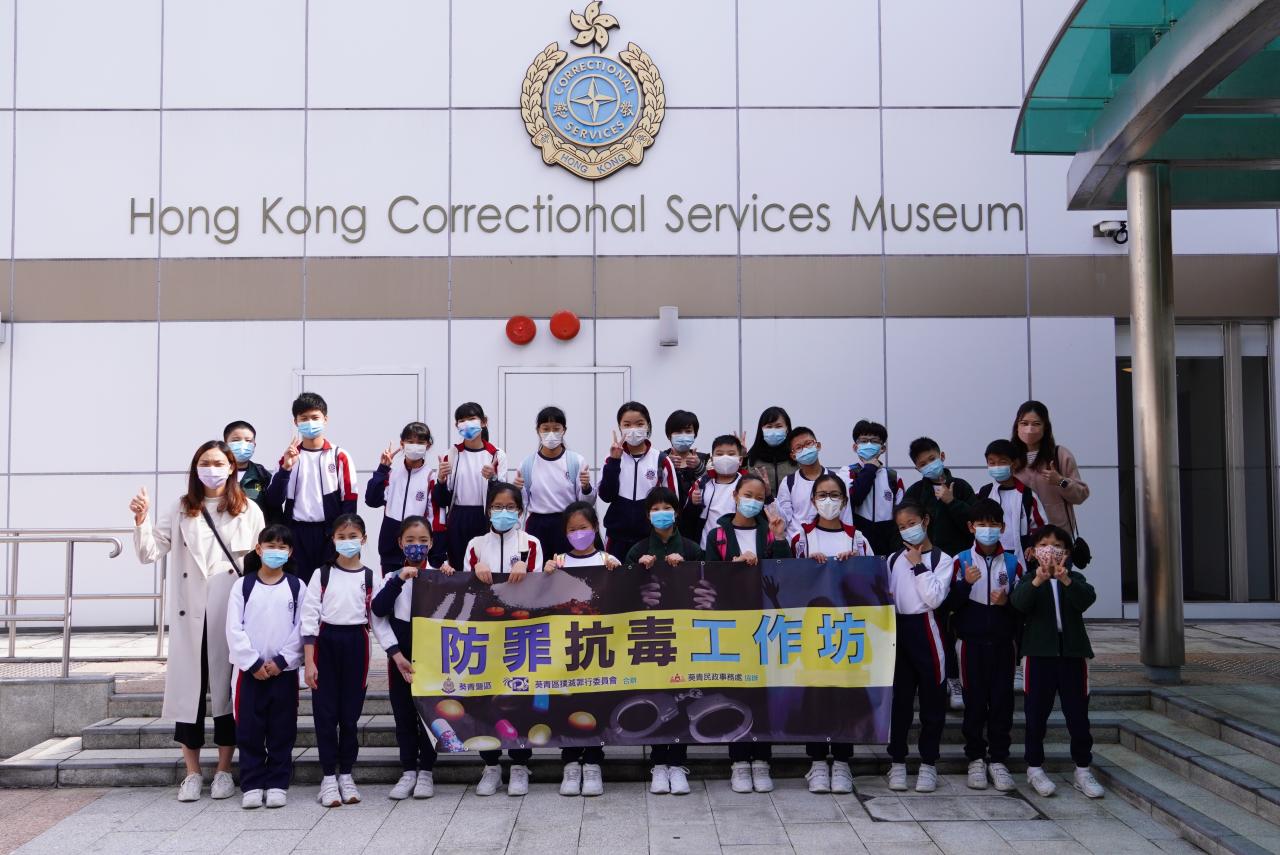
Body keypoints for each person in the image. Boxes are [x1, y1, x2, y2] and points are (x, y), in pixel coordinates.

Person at [130, 440, 264, 803]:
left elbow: (261, 561)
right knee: (189, 695)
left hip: (229, 612)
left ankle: (223, 770)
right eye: (205, 462)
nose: (212, 469)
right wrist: (141, 521)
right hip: (190, 612)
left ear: (232, 467)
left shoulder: (248, 509)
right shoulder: (180, 508)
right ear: (195, 468)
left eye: (219, 462)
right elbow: (149, 552)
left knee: (225, 694)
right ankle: (191, 773)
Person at [700, 474, 789, 794]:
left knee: (763, 692)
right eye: (747, 494)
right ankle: (738, 761)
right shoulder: (718, 534)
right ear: (735, 495)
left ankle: (762, 760)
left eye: (759, 497)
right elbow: (709, 577)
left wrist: (780, 538)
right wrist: (733, 566)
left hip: (765, 623)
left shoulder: (769, 533)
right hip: (731, 623)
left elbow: (786, 571)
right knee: (735, 691)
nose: (752, 501)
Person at [454, 482, 543, 797]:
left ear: (519, 511)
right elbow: (465, 589)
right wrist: (473, 570)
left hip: (520, 634)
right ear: (488, 509)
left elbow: (538, 589)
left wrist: (525, 568)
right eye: (497, 506)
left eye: (510, 507)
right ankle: (490, 765)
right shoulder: (476, 545)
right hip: (485, 635)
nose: (503, 512)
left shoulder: (531, 543)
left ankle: (520, 764)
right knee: (484, 698)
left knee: (519, 696)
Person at [1012, 525, 1104, 800]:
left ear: (1066, 552)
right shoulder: (1028, 579)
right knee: (1036, 715)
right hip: (1038, 656)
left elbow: (1086, 599)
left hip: (1073, 655)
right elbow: (1018, 604)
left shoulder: (1075, 578)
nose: (1050, 551)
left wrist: (1065, 579)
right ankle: (1034, 768)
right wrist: (1038, 580)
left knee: (1078, 715)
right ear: (1033, 552)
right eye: (1043, 545)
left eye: (1057, 546)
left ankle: (1082, 769)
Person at [627, 486, 704, 797]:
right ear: (648, 515)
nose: (661, 513)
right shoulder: (636, 551)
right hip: (650, 636)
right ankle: (658, 763)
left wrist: (685, 570)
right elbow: (621, 594)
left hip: (685, 634)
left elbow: (708, 588)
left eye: (667, 507)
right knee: (656, 695)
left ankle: (678, 763)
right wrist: (637, 573)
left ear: (677, 513)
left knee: (683, 694)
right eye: (655, 508)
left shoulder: (692, 549)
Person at [794, 479, 868, 795]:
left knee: (844, 693)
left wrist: (856, 567)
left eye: (834, 495)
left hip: (847, 627)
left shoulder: (858, 539)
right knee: (816, 694)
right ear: (812, 500)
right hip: (812, 629)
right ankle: (816, 762)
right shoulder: (802, 537)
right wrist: (807, 567)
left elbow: (873, 582)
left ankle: (841, 762)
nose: (828, 500)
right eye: (822, 495)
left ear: (845, 501)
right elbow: (790, 579)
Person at [542, 501, 619, 797]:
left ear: (595, 528)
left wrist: (617, 572)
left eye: (583, 528)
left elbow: (622, 597)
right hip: (566, 648)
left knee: (596, 703)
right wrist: (546, 573)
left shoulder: (607, 559)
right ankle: (571, 763)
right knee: (567, 703)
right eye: (572, 530)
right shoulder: (559, 561)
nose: (578, 534)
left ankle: (594, 763)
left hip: (599, 647)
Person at [225, 524, 305, 810]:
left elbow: (302, 628)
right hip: (249, 674)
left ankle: (277, 784)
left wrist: (282, 661)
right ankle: (252, 784)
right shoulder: (243, 586)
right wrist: (253, 662)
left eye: (282, 547)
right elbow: (234, 628)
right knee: (249, 730)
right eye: (270, 546)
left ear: (290, 552)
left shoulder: (297, 586)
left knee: (282, 730)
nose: (276, 551)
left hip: (283, 673)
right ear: (258, 549)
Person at [946, 499, 1023, 793]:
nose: (987, 529)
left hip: (1004, 644)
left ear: (1002, 528)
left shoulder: (1013, 563)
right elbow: (948, 604)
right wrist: (964, 584)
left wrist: (1008, 603)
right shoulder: (960, 560)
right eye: (981, 524)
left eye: (993, 524)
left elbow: (1024, 606)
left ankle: (999, 759)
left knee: (1002, 702)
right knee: (974, 702)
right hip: (970, 644)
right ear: (971, 527)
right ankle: (976, 758)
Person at [302, 513, 373, 808]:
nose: (347, 542)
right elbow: (309, 618)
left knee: (350, 716)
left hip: (357, 644)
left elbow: (376, 617)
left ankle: (346, 774)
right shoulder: (322, 574)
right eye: (341, 537)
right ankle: (328, 777)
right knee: (326, 715)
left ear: (363, 540)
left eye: (352, 536)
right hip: (326, 642)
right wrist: (309, 661)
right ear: (332, 540)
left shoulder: (369, 576)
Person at [903, 436, 977, 710]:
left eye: (932, 459)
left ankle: (956, 680)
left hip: (958, 564)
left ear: (942, 456)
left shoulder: (962, 486)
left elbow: (975, 522)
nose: (929, 465)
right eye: (923, 463)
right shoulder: (915, 492)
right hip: (926, 566)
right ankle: (943, 677)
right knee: (935, 623)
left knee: (957, 622)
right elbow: (904, 524)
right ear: (917, 468)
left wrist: (951, 501)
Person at [885, 502, 953, 794]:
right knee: (899, 702)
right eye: (902, 527)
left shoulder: (942, 559)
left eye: (912, 523)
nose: (907, 530)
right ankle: (897, 761)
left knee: (932, 701)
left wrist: (919, 564)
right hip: (898, 631)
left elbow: (935, 598)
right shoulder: (892, 559)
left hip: (927, 629)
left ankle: (928, 763)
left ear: (925, 520)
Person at [371, 516, 437, 801]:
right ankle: (408, 770)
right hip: (401, 659)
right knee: (404, 715)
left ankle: (427, 772)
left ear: (431, 543)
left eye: (423, 541)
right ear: (400, 543)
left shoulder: (441, 575)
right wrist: (396, 655)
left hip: (433, 660)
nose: (416, 546)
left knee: (429, 715)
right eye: (410, 541)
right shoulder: (390, 578)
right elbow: (378, 612)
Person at [266, 392, 359, 583]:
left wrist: (343, 536)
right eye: (304, 418)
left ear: (325, 419)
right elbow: (274, 500)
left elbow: (349, 501)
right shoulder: (289, 457)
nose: (310, 422)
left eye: (315, 417)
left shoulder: (339, 456)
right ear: (296, 422)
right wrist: (285, 469)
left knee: (330, 585)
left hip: (329, 533)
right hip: (296, 533)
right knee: (298, 586)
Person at [600, 401, 679, 561]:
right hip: (617, 536)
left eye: (639, 424)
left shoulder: (661, 460)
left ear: (648, 425)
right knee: (615, 576)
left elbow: (673, 502)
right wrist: (614, 461)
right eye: (627, 425)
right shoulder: (612, 458)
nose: (633, 429)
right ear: (620, 427)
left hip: (651, 538)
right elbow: (606, 495)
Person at [433, 402, 507, 570]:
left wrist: (493, 478)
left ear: (483, 421)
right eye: (462, 420)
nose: (467, 424)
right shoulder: (451, 454)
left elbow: (502, 496)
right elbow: (442, 500)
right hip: (458, 518)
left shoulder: (497, 454)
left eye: (472, 418)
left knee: (486, 566)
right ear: (456, 425)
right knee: (459, 567)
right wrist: (441, 480)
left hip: (485, 517)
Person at [365, 422, 445, 576]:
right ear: (402, 444)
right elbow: (372, 500)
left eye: (420, 442)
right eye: (410, 441)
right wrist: (382, 468)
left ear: (428, 446)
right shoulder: (391, 474)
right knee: (390, 586)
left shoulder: (431, 477)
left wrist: (436, 554)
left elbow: (436, 517)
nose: (415, 446)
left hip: (417, 548)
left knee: (417, 589)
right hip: (390, 546)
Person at [514, 406, 595, 556]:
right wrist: (517, 490)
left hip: (568, 524)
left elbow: (586, 503)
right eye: (545, 429)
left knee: (568, 566)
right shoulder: (527, 464)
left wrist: (586, 487)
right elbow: (522, 504)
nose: (551, 433)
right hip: (537, 526)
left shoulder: (575, 461)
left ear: (564, 430)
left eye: (556, 429)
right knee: (538, 567)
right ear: (538, 430)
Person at [1012, 400, 1091, 529]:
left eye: (1036, 424)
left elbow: (1081, 495)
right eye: (1024, 423)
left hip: (1057, 533)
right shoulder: (1010, 457)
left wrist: (1060, 481)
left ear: (1045, 427)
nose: (1029, 429)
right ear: (1017, 427)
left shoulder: (1060, 455)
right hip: (1021, 533)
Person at [775, 426, 849, 541]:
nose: (805, 449)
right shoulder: (788, 482)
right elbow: (784, 519)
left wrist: (848, 541)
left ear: (818, 445)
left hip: (831, 542)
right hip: (797, 544)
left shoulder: (838, 480)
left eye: (808, 443)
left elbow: (846, 516)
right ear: (793, 456)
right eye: (798, 447)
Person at [846, 420, 904, 555]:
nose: (869, 445)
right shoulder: (847, 473)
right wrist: (870, 468)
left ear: (883, 448)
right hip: (857, 544)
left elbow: (902, 512)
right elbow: (855, 498)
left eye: (874, 441)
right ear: (855, 447)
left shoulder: (893, 477)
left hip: (888, 544)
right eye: (864, 441)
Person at [980, 439, 1047, 555]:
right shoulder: (983, 493)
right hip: (990, 554)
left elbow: (1041, 528)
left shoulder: (1028, 495)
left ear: (1014, 463)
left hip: (1020, 555)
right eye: (992, 463)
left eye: (1002, 462)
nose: (997, 467)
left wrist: (1033, 547)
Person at [684, 434, 746, 547]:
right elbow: (687, 518)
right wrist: (693, 503)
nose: (725, 458)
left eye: (731, 454)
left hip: (738, 547)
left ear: (740, 460)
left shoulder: (747, 484)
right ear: (712, 459)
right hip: (706, 547)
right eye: (720, 454)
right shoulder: (701, 483)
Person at [224, 420, 278, 525]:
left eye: (248, 441)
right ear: (225, 443)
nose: (243, 445)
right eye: (236, 440)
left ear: (254, 445)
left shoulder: (262, 475)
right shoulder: (217, 474)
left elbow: (274, 511)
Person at [744, 406, 795, 500]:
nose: (773, 430)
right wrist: (741, 457)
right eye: (769, 427)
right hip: (761, 508)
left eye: (778, 426)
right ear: (761, 429)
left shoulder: (796, 457)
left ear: (787, 428)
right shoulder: (752, 458)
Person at [664, 409, 708, 504]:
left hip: (697, 512)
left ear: (695, 434)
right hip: (669, 511)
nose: (683, 435)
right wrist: (667, 465)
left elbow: (710, 487)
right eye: (678, 432)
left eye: (688, 431)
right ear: (669, 435)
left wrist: (699, 466)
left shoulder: (705, 459)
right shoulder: (660, 458)